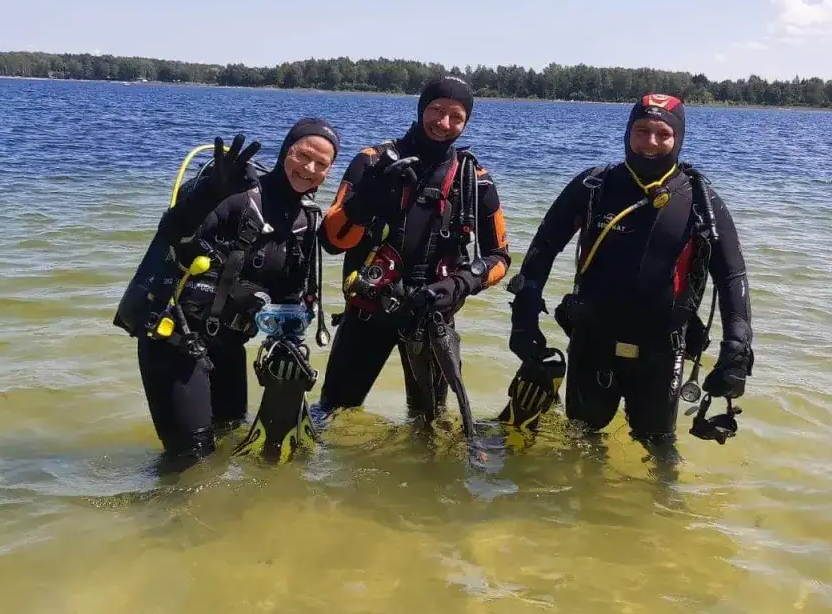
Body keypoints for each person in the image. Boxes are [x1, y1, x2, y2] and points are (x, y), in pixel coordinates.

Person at [506, 93, 755, 454]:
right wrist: (524, 314)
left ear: (678, 138)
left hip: (662, 350)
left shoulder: (700, 200)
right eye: (641, 131)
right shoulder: (594, 187)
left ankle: (665, 509)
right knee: (580, 442)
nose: (650, 142)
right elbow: (543, 249)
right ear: (627, 132)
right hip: (592, 341)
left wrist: (737, 347)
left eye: (662, 133)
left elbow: (732, 277)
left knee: (660, 452)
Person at [114, 120, 340, 464]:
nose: (309, 169)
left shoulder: (305, 221)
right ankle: (161, 512)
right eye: (303, 155)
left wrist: (289, 347)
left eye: (321, 164)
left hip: (229, 346)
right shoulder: (234, 192)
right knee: (191, 457)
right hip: (176, 339)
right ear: (285, 151)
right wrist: (209, 192)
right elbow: (173, 232)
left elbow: (291, 297)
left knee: (229, 440)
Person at [317, 75, 511, 423]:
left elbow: (499, 258)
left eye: (456, 116)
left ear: (466, 122)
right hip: (367, 312)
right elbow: (331, 241)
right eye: (436, 110)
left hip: (432, 317)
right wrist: (365, 201)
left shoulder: (475, 178)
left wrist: (460, 283)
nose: (444, 123)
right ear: (422, 109)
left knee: (428, 426)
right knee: (333, 414)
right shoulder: (372, 162)